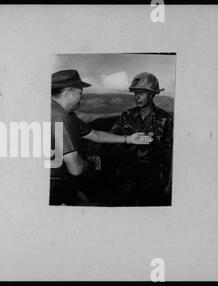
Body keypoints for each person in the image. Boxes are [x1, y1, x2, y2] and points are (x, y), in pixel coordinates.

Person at [50, 70, 152, 205]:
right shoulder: (59, 116)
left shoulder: (66, 114)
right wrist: (93, 164)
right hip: (53, 188)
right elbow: (76, 169)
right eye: (80, 92)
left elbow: (95, 134)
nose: (82, 97)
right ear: (68, 92)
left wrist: (129, 139)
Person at [110, 72, 173, 206]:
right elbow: (113, 139)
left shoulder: (165, 119)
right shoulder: (126, 115)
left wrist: (169, 182)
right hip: (126, 178)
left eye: (141, 93)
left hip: (153, 180)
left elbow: (171, 153)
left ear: (151, 95)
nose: (137, 97)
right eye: (135, 93)